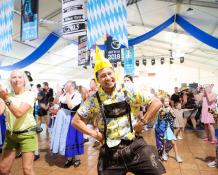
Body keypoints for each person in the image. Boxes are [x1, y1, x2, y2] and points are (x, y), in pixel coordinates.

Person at [72, 47, 165, 175]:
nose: (108, 78)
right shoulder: (93, 100)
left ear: (114, 74)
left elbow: (156, 102)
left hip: (135, 145)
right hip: (110, 151)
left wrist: (143, 121)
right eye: (103, 75)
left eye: (110, 73)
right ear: (98, 79)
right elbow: (76, 121)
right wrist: (95, 135)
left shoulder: (128, 90)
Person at [0, 70, 37, 175]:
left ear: (24, 80)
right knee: (3, 169)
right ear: (10, 81)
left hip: (27, 134)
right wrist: (4, 98)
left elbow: (19, 113)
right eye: (14, 77)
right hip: (11, 135)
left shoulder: (29, 95)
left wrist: (5, 98)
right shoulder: (7, 96)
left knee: (27, 170)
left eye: (20, 77)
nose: (17, 80)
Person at [50, 81, 84, 168]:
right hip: (62, 119)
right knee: (64, 138)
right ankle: (69, 159)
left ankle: (76, 159)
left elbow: (70, 106)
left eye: (66, 85)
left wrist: (68, 94)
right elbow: (56, 102)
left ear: (72, 86)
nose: (64, 86)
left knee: (72, 138)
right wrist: (58, 93)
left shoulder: (77, 95)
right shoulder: (64, 94)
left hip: (72, 119)